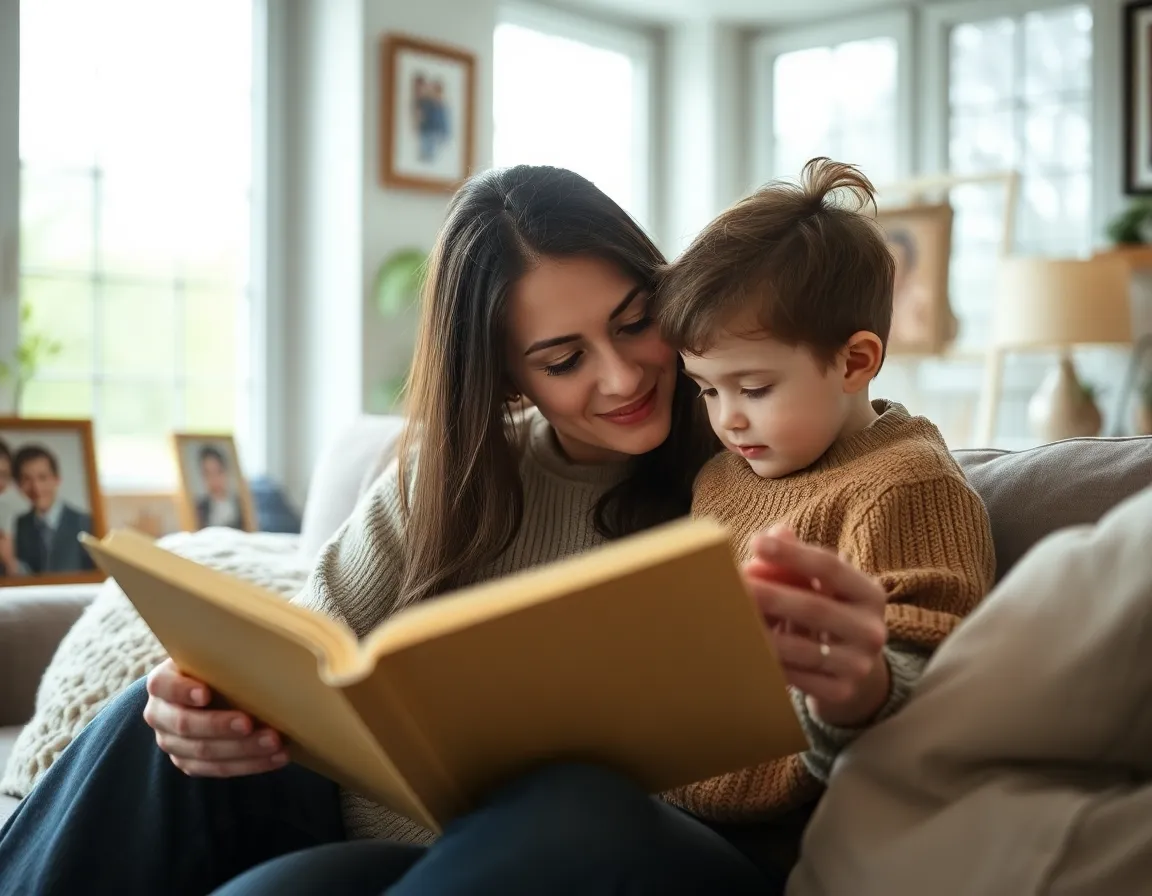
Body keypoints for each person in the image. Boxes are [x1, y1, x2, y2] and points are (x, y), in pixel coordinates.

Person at [0, 165, 899, 896]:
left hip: (636, 849)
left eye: (637, 323)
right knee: (155, 719)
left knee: (570, 803)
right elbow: (312, 654)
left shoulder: (772, 446)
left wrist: (856, 689)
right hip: (421, 851)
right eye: (563, 359)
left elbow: (891, 641)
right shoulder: (453, 474)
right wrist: (206, 707)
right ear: (508, 377)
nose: (624, 375)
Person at [653, 157, 995, 869]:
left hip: (773, 838)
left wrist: (858, 686)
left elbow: (928, 675)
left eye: (751, 386)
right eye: (707, 392)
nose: (728, 421)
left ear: (854, 362)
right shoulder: (720, 479)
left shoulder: (908, 482)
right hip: (659, 792)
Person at [0, 443, 96, 576]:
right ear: (18, 484)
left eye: (43, 477)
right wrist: (9, 562)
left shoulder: (86, 523)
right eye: (27, 479)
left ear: (57, 479)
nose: (36, 488)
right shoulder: (18, 525)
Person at [195, 444, 245, 530]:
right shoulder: (200, 508)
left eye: (218, 472)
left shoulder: (241, 505)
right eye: (208, 474)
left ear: (226, 472)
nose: (214, 479)